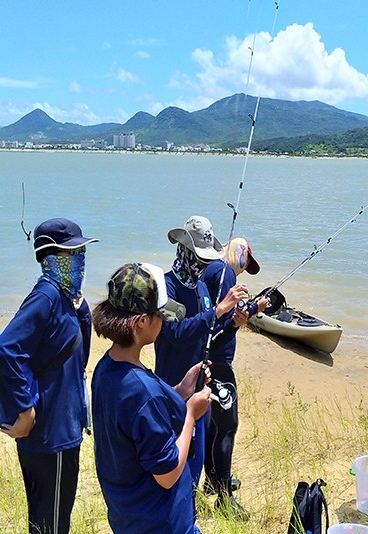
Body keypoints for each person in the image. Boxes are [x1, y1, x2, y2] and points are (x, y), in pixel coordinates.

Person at [0, 217, 97, 534]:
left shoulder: (66, 297)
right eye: (71, 254)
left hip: (62, 426)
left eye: (81, 253)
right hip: (52, 434)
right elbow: (6, 350)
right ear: (49, 258)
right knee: (53, 522)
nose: (80, 261)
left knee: (46, 519)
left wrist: (81, 310)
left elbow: (78, 358)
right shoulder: (46, 296)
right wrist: (25, 411)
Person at [91, 262, 212, 533]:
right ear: (142, 322)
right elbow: (167, 475)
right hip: (161, 523)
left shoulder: (105, 369)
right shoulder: (144, 393)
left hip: (128, 516)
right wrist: (191, 415)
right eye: (160, 316)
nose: (163, 323)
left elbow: (136, 425)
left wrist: (180, 392)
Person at [154, 215, 248, 525]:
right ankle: (174, 518)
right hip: (173, 389)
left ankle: (189, 516)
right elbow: (176, 335)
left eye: (206, 259)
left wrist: (232, 322)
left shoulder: (200, 290)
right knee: (174, 462)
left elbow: (210, 333)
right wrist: (219, 310)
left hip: (201, 390)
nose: (202, 266)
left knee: (196, 460)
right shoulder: (166, 288)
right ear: (182, 250)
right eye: (198, 258)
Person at [201, 237, 269, 519]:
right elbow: (227, 323)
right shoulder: (224, 272)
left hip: (206, 359)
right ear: (239, 253)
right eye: (245, 265)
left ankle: (213, 479)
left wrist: (251, 308)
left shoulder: (208, 269)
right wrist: (255, 308)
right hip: (217, 362)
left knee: (212, 423)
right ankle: (224, 498)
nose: (242, 271)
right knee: (228, 425)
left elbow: (223, 319)